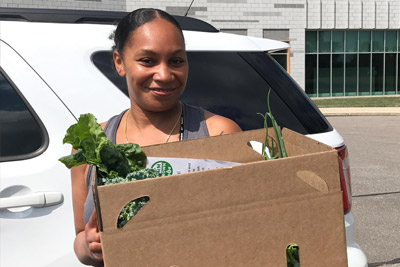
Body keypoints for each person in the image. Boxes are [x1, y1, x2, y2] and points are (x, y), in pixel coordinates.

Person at [70, 8, 241, 266]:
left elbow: (246, 228)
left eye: (176, 61)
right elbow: (81, 238)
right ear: (119, 62)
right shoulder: (89, 144)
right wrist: (90, 246)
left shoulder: (219, 132)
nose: (164, 75)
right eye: (148, 61)